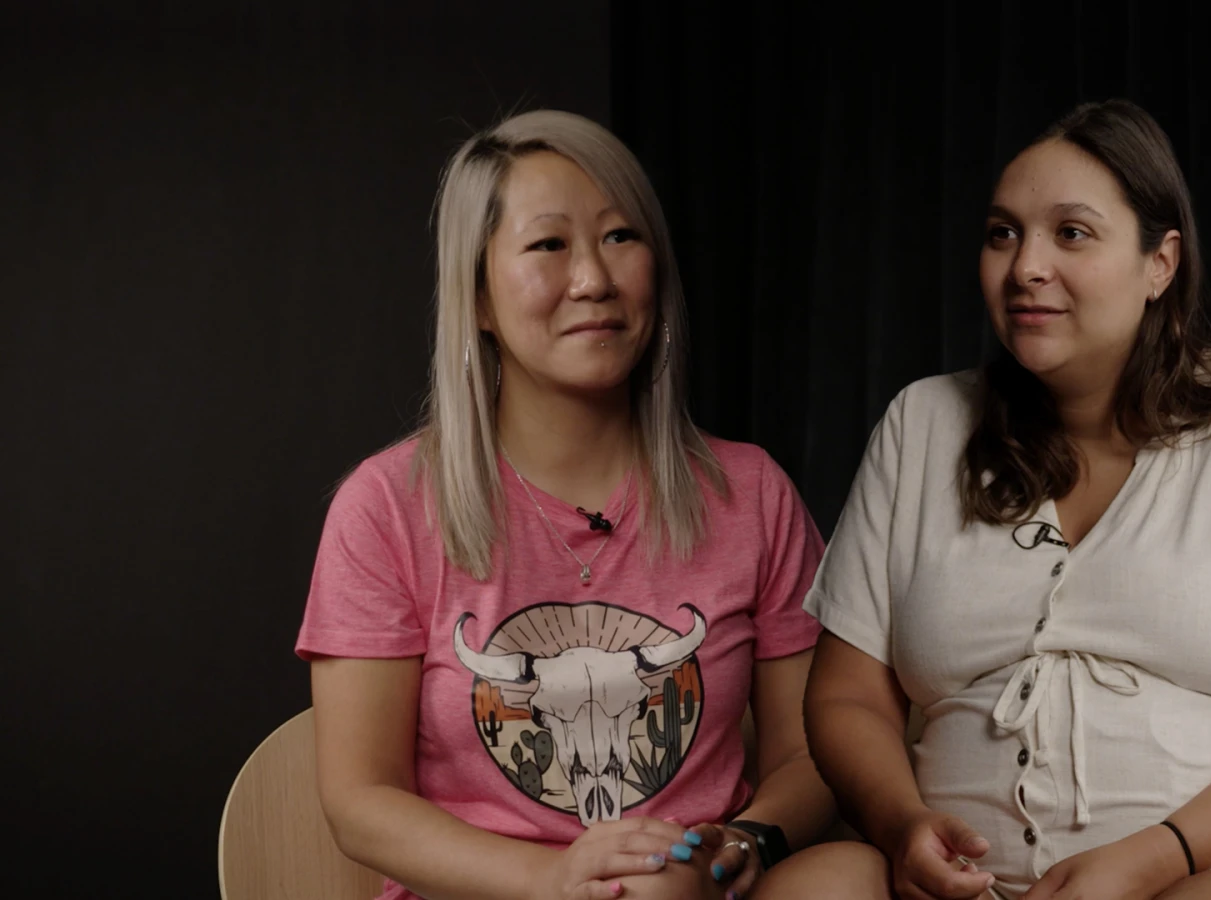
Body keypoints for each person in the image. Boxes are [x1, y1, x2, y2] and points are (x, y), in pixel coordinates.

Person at [774, 99, 1211, 900]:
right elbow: (847, 697)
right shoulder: (922, 424)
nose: (1025, 267)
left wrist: (1154, 858)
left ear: (1160, 263)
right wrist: (903, 826)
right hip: (963, 886)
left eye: (1071, 233)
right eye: (1003, 233)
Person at [296, 109, 835, 900]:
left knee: (850, 875)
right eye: (549, 245)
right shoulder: (384, 507)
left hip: (694, 884)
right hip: (495, 891)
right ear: (478, 298)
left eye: (621, 237)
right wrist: (554, 877)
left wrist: (746, 838)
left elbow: (811, 751)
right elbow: (361, 804)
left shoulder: (752, 492)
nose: (594, 280)